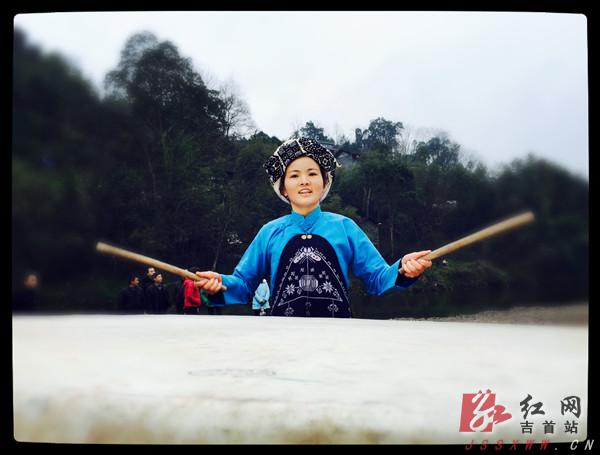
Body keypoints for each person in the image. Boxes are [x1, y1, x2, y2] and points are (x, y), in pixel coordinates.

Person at [193, 137, 432, 317]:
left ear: (324, 182)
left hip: (338, 338)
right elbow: (243, 284)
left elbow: (378, 278)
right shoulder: (269, 232)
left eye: (312, 173)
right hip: (281, 338)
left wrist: (403, 269)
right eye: (294, 175)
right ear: (284, 188)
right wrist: (218, 285)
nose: (304, 181)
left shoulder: (345, 227)